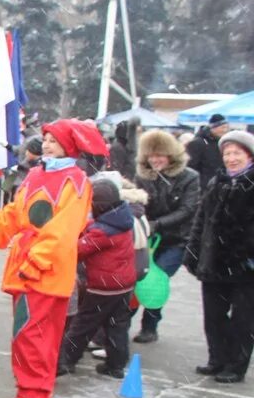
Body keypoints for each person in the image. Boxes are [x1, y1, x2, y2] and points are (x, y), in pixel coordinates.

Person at [0, 119, 95, 398]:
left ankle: (34, 396)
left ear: (69, 146)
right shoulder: (36, 174)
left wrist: (35, 262)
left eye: (54, 140)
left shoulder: (76, 181)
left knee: (36, 335)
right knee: (25, 333)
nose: (46, 144)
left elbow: (64, 231)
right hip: (25, 269)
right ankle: (29, 391)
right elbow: (13, 215)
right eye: (45, 139)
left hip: (44, 272)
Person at [183, 130, 254, 384]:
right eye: (227, 153)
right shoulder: (217, 182)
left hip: (246, 268)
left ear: (249, 156)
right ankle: (217, 359)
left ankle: (236, 366)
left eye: (237, 153)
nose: (231, 158)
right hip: (214, 262)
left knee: (243, 321)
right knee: (213, 316)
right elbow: (201, 220)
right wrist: (192, 251)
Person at [57, 174, 137, 378]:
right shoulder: (122, 219)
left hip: (104, 286)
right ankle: (116, 365)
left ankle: (65, 360)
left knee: (83, 325)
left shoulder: (102, 231)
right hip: (124, 283)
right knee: (117, 325)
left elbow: (78, 250)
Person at [133, 130, 201, 344]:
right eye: (151, 155)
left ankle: (149, 326)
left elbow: (188, 209)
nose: (155, 160)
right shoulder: (142, 176)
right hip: (147, 237)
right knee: (137, 278)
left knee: (157, 279)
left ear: (171, 155)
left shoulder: (190, 177)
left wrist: (159, 224)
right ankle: (121, 322)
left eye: (159, 155)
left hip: (176, 239)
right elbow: (138, 202)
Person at [187, 114, 228, 189]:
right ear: (213, 127)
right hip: (202, 188)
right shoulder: (198, 143)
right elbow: (191, 167)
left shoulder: (223, 143)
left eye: (226, 127)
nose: (224, 130)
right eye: (222, 127)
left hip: (219, 187)